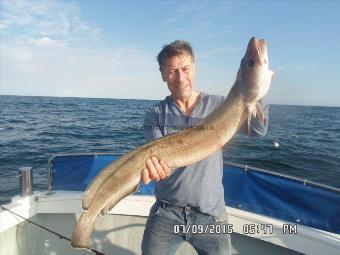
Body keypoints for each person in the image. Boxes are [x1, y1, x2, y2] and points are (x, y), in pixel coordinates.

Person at [140, 40, 268, 255]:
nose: (180, 78)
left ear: (194, 68)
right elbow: (158, 160)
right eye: (172, 71)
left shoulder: (221, 105)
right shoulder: (155, 114)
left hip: (211, 215)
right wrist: (156, 170)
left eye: (185, 69)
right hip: (166, 213)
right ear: (163, 75)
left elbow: (257, 130)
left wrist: (257, 95)